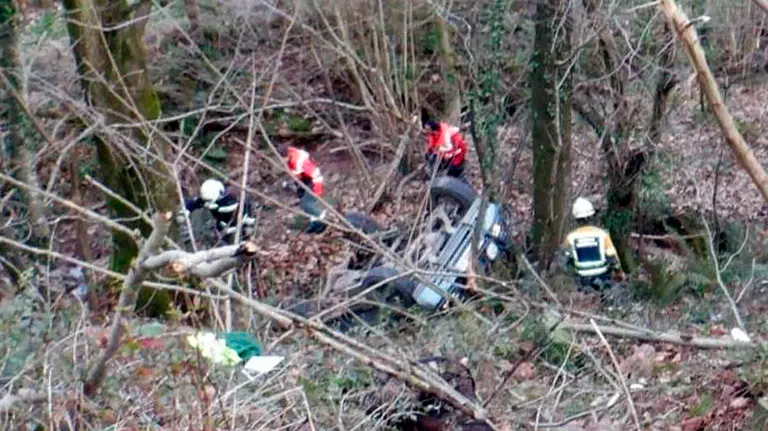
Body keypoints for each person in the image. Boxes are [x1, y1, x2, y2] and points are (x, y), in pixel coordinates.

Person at [561, 197, 624, 291]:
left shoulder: (570, 238)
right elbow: (612, 258)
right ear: (591, 217)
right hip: (603, 277)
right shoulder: (602, 235)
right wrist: (619, 272)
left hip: (582, 280)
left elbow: (564, 261)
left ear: (576, 219)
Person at [176, 179, 257, 243]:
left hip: (236, 227)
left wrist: (248, 225)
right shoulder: (209, 197)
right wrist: (184, 212)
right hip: (220, 227)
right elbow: (195, 203)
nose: (207, 203)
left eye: (209, 201)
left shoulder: (233, 201)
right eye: (206, 200)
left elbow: (247, 211)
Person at [281, 146, 327, 233]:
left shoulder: (299, 161)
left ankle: (322, 219)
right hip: (305, 180)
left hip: (314, 181)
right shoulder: (292, 158)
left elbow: (314, 173)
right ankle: (314, 221)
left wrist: (316, 189)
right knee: (303, 201)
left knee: (306, 203)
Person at [421, 110, 468, 178]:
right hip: (447, 152)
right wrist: (430, 151)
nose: (426, 131)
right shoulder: (433, 134)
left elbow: (445, 146)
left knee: (453, 171)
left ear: (431, 128)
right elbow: (432, 145)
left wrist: (437, 151)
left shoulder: (445, 133)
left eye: (427, 129)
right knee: (430, 156)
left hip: (455, 153)